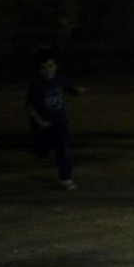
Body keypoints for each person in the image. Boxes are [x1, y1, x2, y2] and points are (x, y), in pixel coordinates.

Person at [25, 48, 86, 190]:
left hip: (60, 121)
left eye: (51, 66)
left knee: (63, 149)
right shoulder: (36, 84)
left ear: (56, 66)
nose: (48, 70)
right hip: (42, 125)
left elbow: (69, 88)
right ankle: (39, 149)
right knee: (42, 152)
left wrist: (77, 91)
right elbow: (30, 105)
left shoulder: (60, 78)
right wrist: (39, 121)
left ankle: (65, 178)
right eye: (44, 67)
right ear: (39, 69)